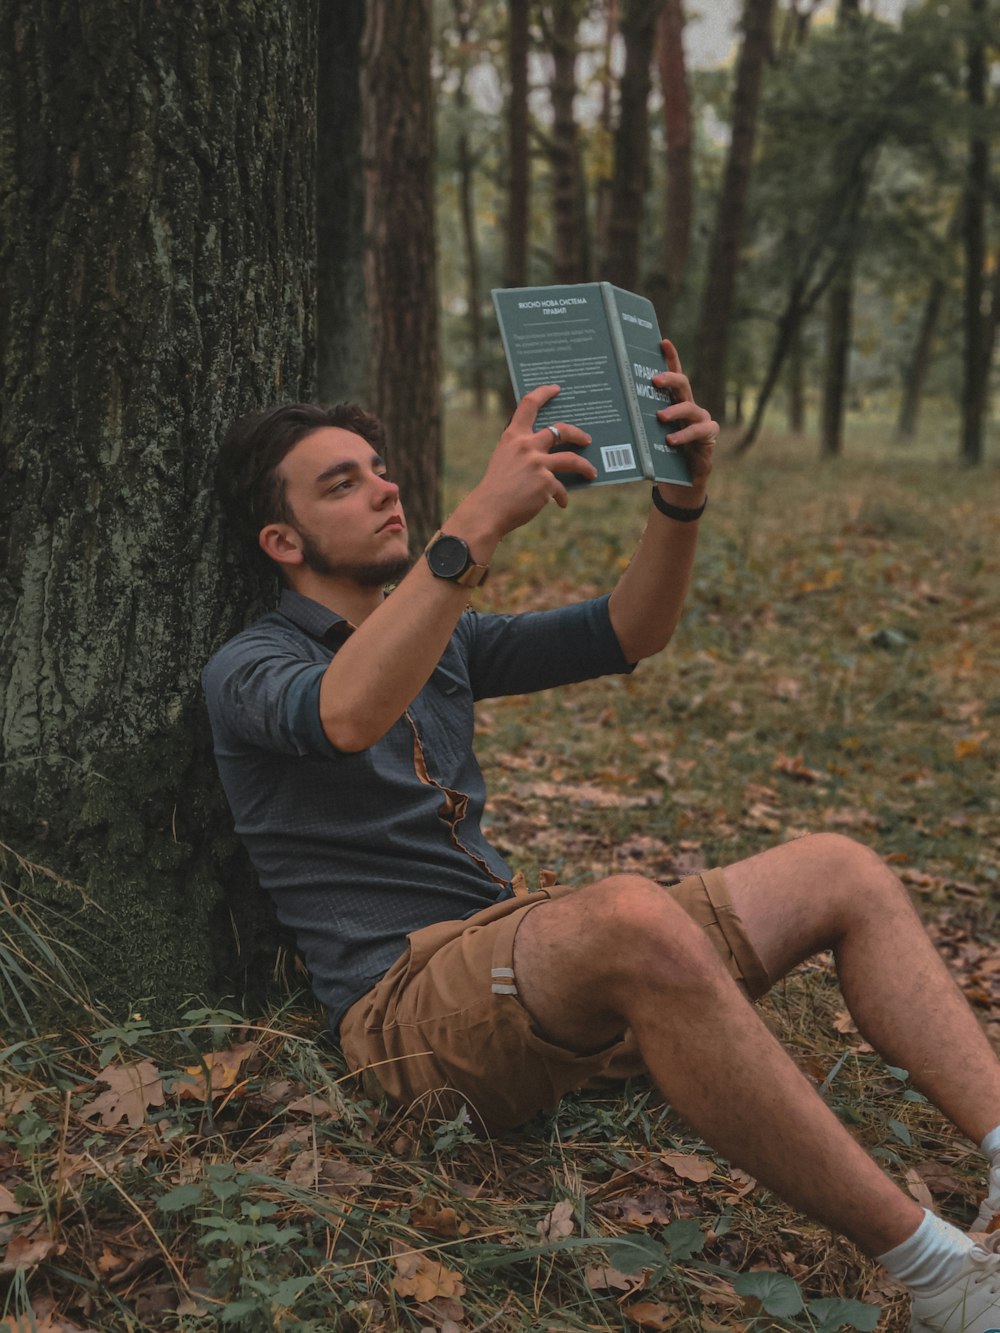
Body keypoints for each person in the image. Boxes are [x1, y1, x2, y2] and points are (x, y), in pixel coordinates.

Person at [203, 344, 1000, 1332]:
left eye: (380, 469)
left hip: (525, 972)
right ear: (283, 541)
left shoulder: (440, 633)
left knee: (841, 869)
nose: (383, 489)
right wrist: (478, 521)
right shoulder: (248, 664)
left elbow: (629, 630)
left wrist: (679, 501)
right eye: (342, 482)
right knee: (627, 912)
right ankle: (946, 1275)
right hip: (405, 1010)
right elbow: (343, 714)